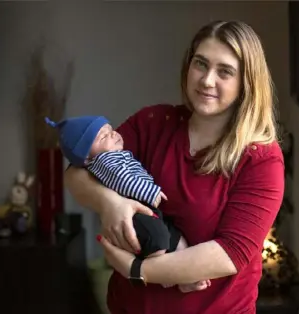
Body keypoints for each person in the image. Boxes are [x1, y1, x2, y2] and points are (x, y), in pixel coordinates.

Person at [64, 20, 285, 313]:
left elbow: (230, 254)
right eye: (200, 64)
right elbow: (78, 171)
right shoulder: (154, 123)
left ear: (247, 82)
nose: (207, 80)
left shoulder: (261, 159)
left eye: (225, 72)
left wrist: (138, 270)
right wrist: (109, 203)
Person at [45, 115, 208, 291]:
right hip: (134, 214)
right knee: (157, 239)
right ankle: (164, 275)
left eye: (110, 129)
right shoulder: (105, 161)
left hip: (147, 210)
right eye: (103, 136)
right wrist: (150, 192)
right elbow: (123, 180)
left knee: (176, 239)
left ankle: (182, 280)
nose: (114, 134)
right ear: (86, 158)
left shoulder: (113, 156)